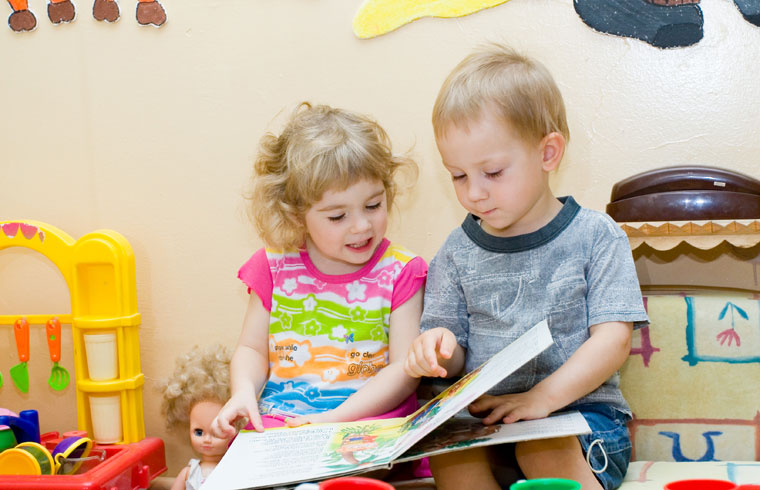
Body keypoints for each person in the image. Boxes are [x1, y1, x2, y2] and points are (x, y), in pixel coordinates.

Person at [403, 43, 648, 490]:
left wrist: (543, 399)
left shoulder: (597, 236)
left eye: (492, 172)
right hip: (487, 423)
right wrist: (438, 347)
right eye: (458, 175)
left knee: (541, 448)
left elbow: (613, 341)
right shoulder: (455, 253)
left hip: (579, 419)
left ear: (548, 153)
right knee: (449, 458)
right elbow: (454, 355)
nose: (474, 193)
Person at [211, 102, 427, 438]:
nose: (361, 226)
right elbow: (252, 349)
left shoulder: (401, 272)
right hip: (285, 423)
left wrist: (335, 419)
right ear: (296, 215)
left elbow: (405, 368)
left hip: (368, 422)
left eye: (373, 205)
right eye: (337, 216)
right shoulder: (274, 267)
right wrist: (242, 392)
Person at [160, 344, 235, 490]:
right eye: (199, 432)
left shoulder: (233, 470)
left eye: (216, 432)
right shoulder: (189, 473)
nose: (207, 439)